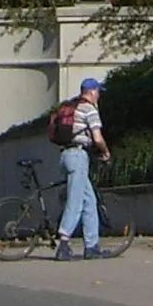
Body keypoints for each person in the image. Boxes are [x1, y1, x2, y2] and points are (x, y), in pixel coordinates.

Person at [55, 74, 110, 258]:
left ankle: (91, 246)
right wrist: (105, 152)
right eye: (98, 93)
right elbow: (97, 138)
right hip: (78, 156)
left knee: (89, 201)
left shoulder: (73, 107)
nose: (99, 96)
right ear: (92, 92)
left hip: (65, 155)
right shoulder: (89, 109)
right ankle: (63, 243)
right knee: (76, 201)